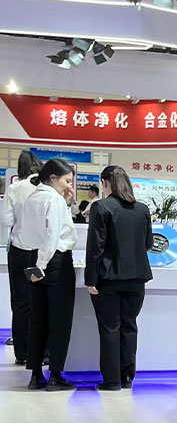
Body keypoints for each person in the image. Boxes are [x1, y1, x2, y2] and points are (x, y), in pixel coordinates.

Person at [85, 165, 154, 390]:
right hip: (137, 278)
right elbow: (148, 243)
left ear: (105, 182)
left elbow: (95, 247)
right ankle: (127, 377)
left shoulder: (101, 207)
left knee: (110, 328)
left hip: (109, 278)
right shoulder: (142, 209)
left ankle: (112, 380)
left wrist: (90, 279)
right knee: (129, 326)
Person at [19, 158, 78, 391]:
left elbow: (26, 233)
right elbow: (53, 236)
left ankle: (35, 375)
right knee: (60, 319)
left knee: (38, 318)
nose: (69, 186)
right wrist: (43, 264)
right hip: (54, 261)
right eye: (67, 180)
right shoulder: (53, 199)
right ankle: (55, 375)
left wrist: (36, 264)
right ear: (53, 178)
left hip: (33, 258)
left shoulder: (33, 197)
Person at [3, 149, 42, 364]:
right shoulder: (45, 187)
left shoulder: (15, 188)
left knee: (20, 302)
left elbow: (6, 220)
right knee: (41, 301)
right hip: (41, 250)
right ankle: (41, 351)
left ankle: (22, 352)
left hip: (18, 248)